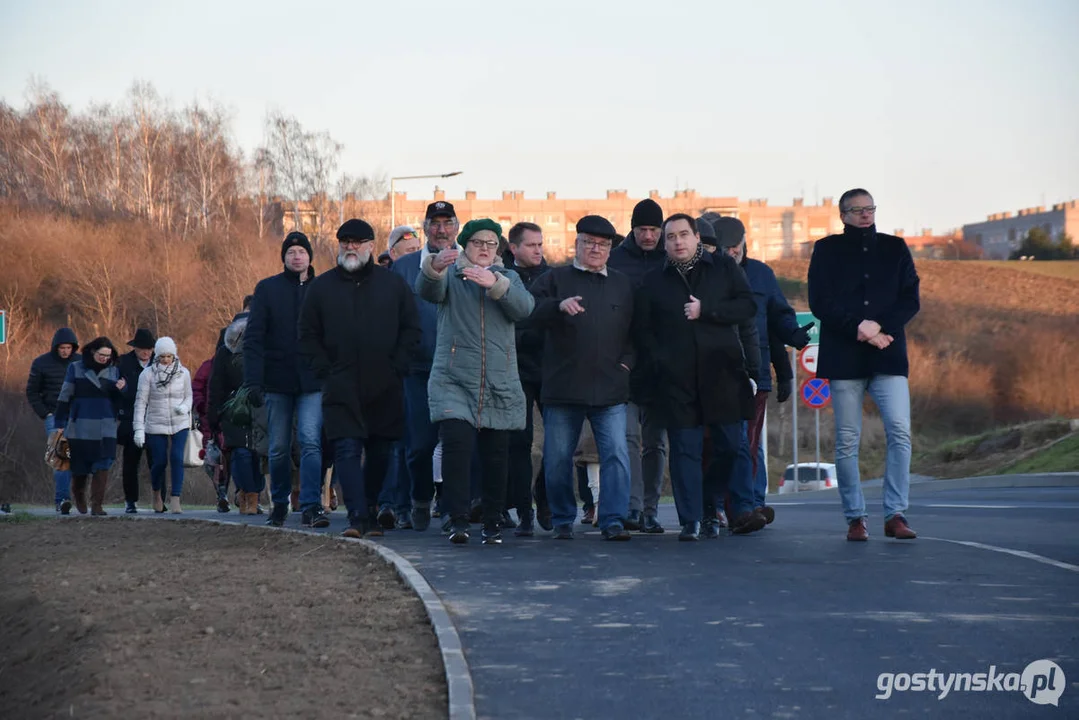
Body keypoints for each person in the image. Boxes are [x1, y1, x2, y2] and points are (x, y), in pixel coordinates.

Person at [635, 214, 758, 540]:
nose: (678, 241)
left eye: (684, 235)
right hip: (676, 381)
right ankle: (690, 519)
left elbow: (747, 308)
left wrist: (708, 311)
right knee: (684, 451)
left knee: (729, 447)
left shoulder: (724, 268)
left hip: (722, 375)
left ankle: (709, 502)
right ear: (665, 242)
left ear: (696, 238)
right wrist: (658, 366)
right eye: (671, 236)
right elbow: (643, 333)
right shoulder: (653, 280)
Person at [808, 188, 920, 541]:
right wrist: (860, 327)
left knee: (900, 432)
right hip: (845, 356)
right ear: (842, 215)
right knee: (847, 440)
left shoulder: (895, 248)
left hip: (888, 354)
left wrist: (880, 328)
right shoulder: (826, 250)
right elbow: (820, 302)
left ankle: (895, 513)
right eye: (857, 210)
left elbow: (910, 298)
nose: (865, 215)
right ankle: (855, 517)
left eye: (869, 208)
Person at [300, 218, 421, 538]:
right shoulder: (322, 287)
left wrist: (398, 365)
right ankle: (356, 516)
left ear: (371, 246)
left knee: (382, 450)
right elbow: (307, 333)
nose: (350, 247)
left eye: (357, 242)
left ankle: (368, 506)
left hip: (385, 383)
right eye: (345, 242)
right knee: (347, 449)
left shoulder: (392, 284)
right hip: (340, 382)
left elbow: (411, 328)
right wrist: (324, 369)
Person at [417, 218, 535, 544]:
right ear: (465, 246)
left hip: (499, 381)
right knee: (457, 447)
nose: (484, 249)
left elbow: (525, 309)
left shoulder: (508, 277)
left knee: (496, 456)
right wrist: (434, 267)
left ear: (498, 249)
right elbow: (427, 289)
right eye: (477, 243)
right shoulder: (452, 277)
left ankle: (493, 521)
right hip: (454, 380)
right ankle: (456, 519)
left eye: (490, 244)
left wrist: (494, 284)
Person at [529, 215, 635, 541]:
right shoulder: (553, 279)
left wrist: (627, 365)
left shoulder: (622, 283)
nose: (596, 249)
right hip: (563, 387)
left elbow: (636, 332)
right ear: (576, 243)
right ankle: (562, 517)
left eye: (603, 244)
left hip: (611, 387)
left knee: (616, 455)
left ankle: (613, 519)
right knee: (558, 458)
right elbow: (527, 311)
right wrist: (557, 307)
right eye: (589, 242)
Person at [711, 215, 814, 526]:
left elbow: (776, 319)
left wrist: (792, 337)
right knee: (729, 443)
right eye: (724, 249)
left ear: (745, 244)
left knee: (750, 442)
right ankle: (724, 505)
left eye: (735, 248)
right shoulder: (707, 276)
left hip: (756, 376)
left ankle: (752, 504)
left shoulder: (761, 275)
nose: (731, 254)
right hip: (716, 373)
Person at [245, 231, 325, 528]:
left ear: (309, 257)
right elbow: (253, 338)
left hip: (313, 381)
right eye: (291, 252)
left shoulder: (322, 289)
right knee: (278, 446)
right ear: (284, 257)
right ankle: (279, 504)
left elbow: (333, 335)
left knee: (310, 441)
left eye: (301, 251)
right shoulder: (267, 289)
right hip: (276, 381)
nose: (296, 256)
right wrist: (252, 380)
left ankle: (312, 505)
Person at [392, 202, 462, 530]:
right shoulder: (405, 268)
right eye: (435, 224)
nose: (442, 230)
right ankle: (420, 497)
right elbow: (391, 316)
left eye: (448, 223)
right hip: (418, 369)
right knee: (419, 445)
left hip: (458, 367)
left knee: (456, 444)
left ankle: (451, 508)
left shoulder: (469, 261)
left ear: (457, 227)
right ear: (425, 228)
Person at [608, 198, 669, 533]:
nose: (648, 236)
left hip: (661, 368)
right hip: (624, 364)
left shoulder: (671, 258)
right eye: (642, 229)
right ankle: (631, 507)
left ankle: (650, 509)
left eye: (654, 230)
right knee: (628, 439)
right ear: (632, 229)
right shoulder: (616, 260)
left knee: (656, 443)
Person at [504, 221, 550, 536]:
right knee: (520, 442)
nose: (538, 250)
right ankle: (524, 511)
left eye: (540, 244)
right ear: (514, 248)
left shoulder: (554, 277)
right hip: (515, 370)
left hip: (550, 369)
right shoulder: (503, 278)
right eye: (531, 245)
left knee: (560, 442)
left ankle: (545, 497)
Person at [52, 337, 126, 515]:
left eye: (108, 355)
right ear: (93, 352)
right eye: (101, 354)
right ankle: (79, 495)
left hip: (105, 425)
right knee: (80, 466)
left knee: (103, 464)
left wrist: (121, 390)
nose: (104, 358)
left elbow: (119, 401)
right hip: (81, 425)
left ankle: (97, 505)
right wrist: (60, 422)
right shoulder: (76, 368)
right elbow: (65, 395)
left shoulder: (114, 371)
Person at [208, 314, 265, 515]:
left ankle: (254, 495)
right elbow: (215, 385)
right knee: (240, 453)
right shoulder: (225, 354)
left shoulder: (262, 351)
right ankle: (247, 494)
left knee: (257, 454)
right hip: (233, 411)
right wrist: (213, 414)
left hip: (259, 410)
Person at [133, 337, 193, 514]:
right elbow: (141, 403)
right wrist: (138, 429)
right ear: (157, 356)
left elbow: (189, 396)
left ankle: (176, 498)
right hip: (155, 423)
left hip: (179, 422)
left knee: (176, 457)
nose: (166, 360)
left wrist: (184, 407)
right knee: (159, 461)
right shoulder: (147, 375)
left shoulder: (183, 373)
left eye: (169, 356)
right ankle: (156, 493)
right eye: (162, 356)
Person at [26, 327, 79, 514]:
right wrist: (45, 413)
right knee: (60, 456)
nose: (65, 351)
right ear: (56, 347)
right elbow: (32, 391)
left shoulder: (80, 362)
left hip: (78, 416)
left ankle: (76, 498)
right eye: (62, 347)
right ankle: (62, 500)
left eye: (68, 348)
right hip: (55, 416)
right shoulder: (41, 363)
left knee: (77, 458)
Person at [116, 328, 156, 513]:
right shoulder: (124, 363)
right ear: (135, 348)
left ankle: (159, 498)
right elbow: (118, 389)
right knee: (131, 462)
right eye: (142, 348)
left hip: (155, 417)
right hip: (130, 419)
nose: (146, 352)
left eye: (149, 348)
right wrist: (127, 391)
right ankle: (130, 500)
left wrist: (129, 389)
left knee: (157, 461)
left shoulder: (159, 362)